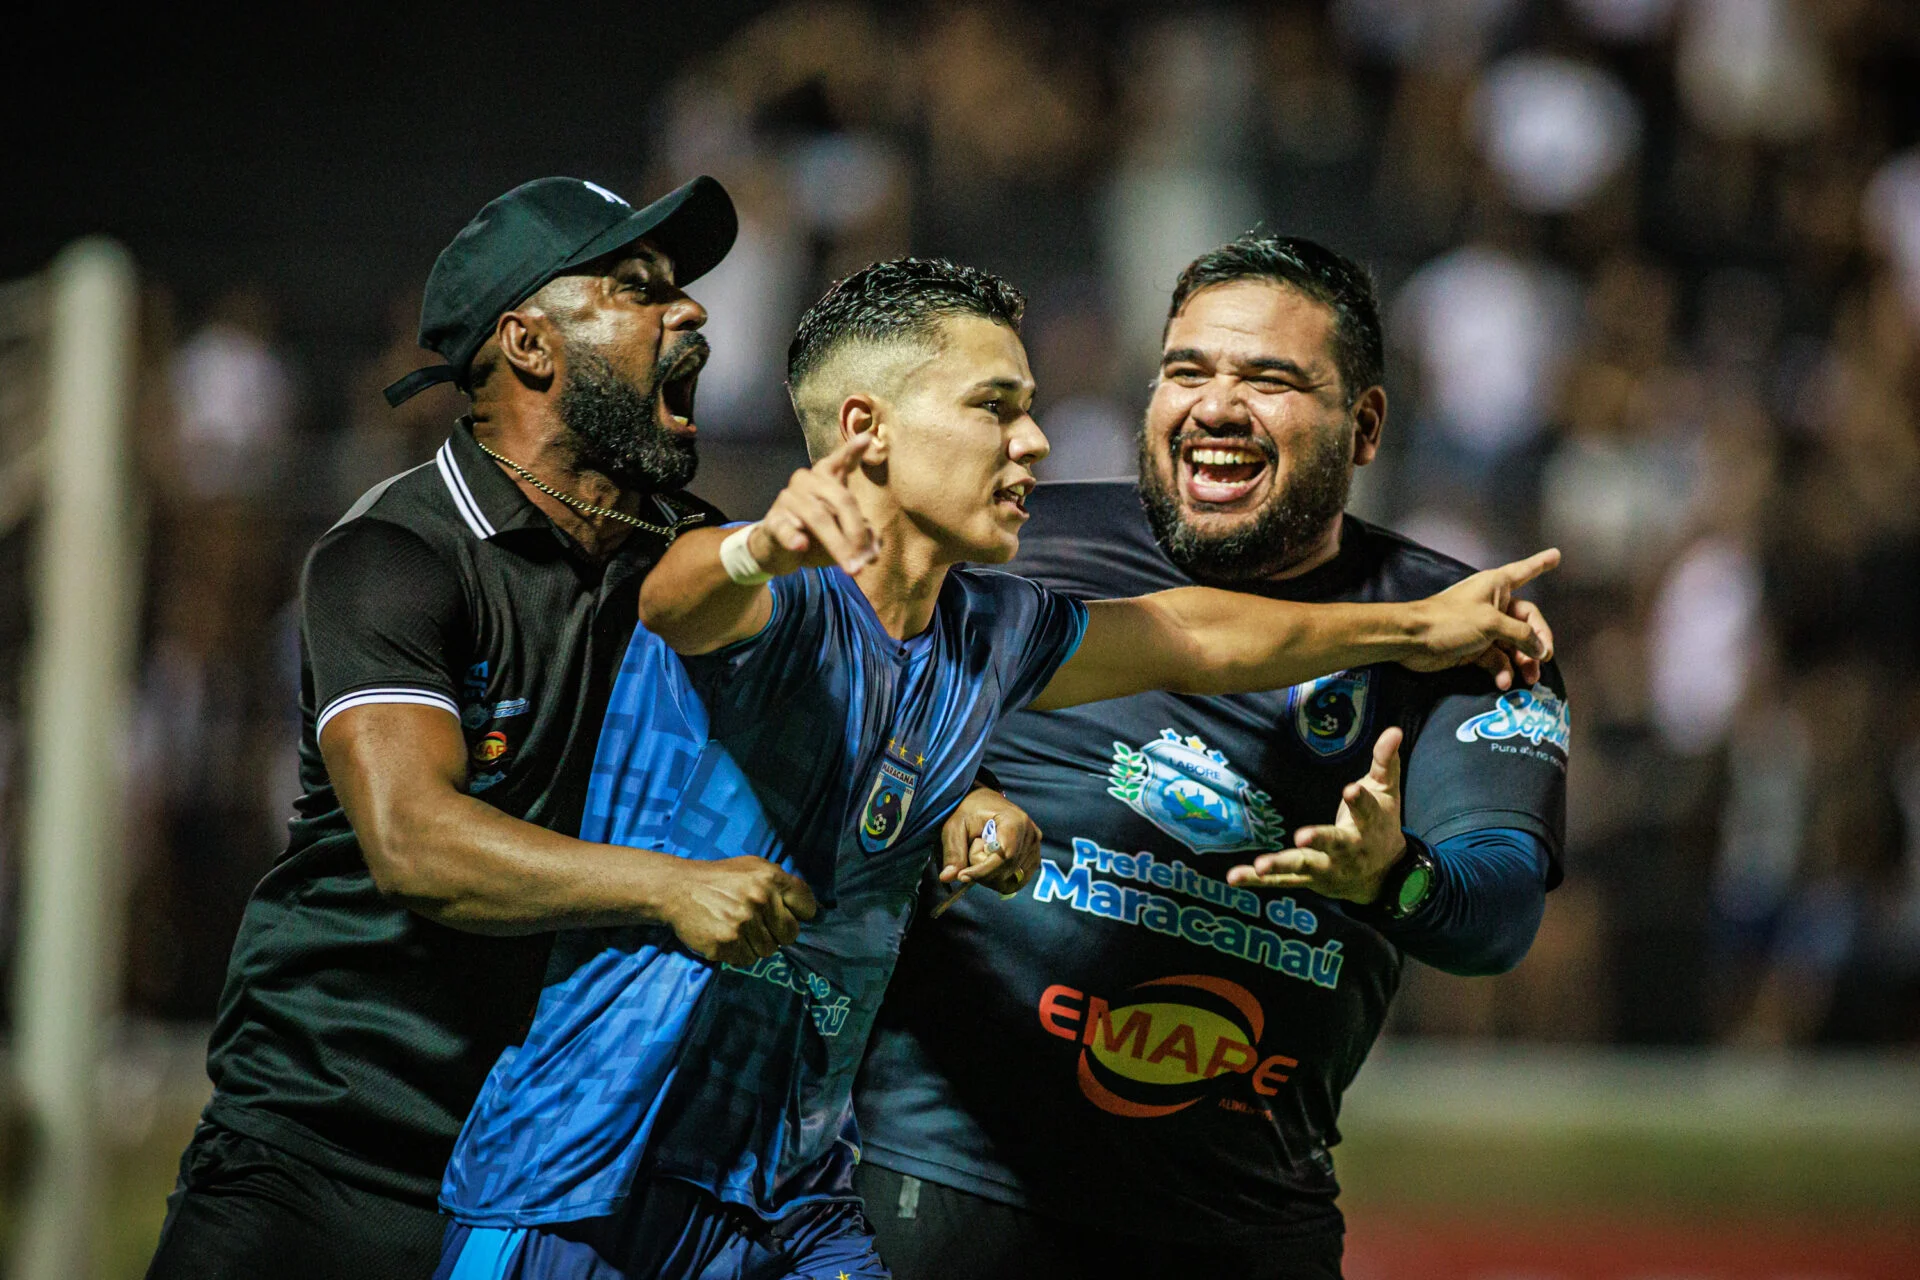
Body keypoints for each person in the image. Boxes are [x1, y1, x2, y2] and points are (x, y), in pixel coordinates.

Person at [433, 256, 1558, 1280]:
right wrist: (757, 548)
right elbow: (681, 596)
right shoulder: (788, 596)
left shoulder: (994, 627)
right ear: (870, 428)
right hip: (598, 1167)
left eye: (1267, 376)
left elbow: (1194, 635)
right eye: (997, 410)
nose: (1038, 442)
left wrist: (1411, 642)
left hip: (798, 1189)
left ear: (1364, 423)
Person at [144, 175, 1023, 1280]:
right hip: (330, 1148)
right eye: (638, 288)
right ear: (529, 344)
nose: (690, 312)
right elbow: (415, 841)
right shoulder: (399, 554)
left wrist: (959, 791)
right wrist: (668, 884)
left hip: (559, 1167)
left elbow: (874, 701)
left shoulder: (702, 564)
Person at [849, 234, 1573, 1280]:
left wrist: (1393, 877)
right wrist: (948, 781)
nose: (1217, 405)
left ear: (1364, 425)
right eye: (1188, 371)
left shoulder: (1458, 626)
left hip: (1242, 1227)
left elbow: (1499, 913)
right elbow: (800, 667)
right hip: (941, 1189)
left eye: (1269, 380)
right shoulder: (1007, 545)